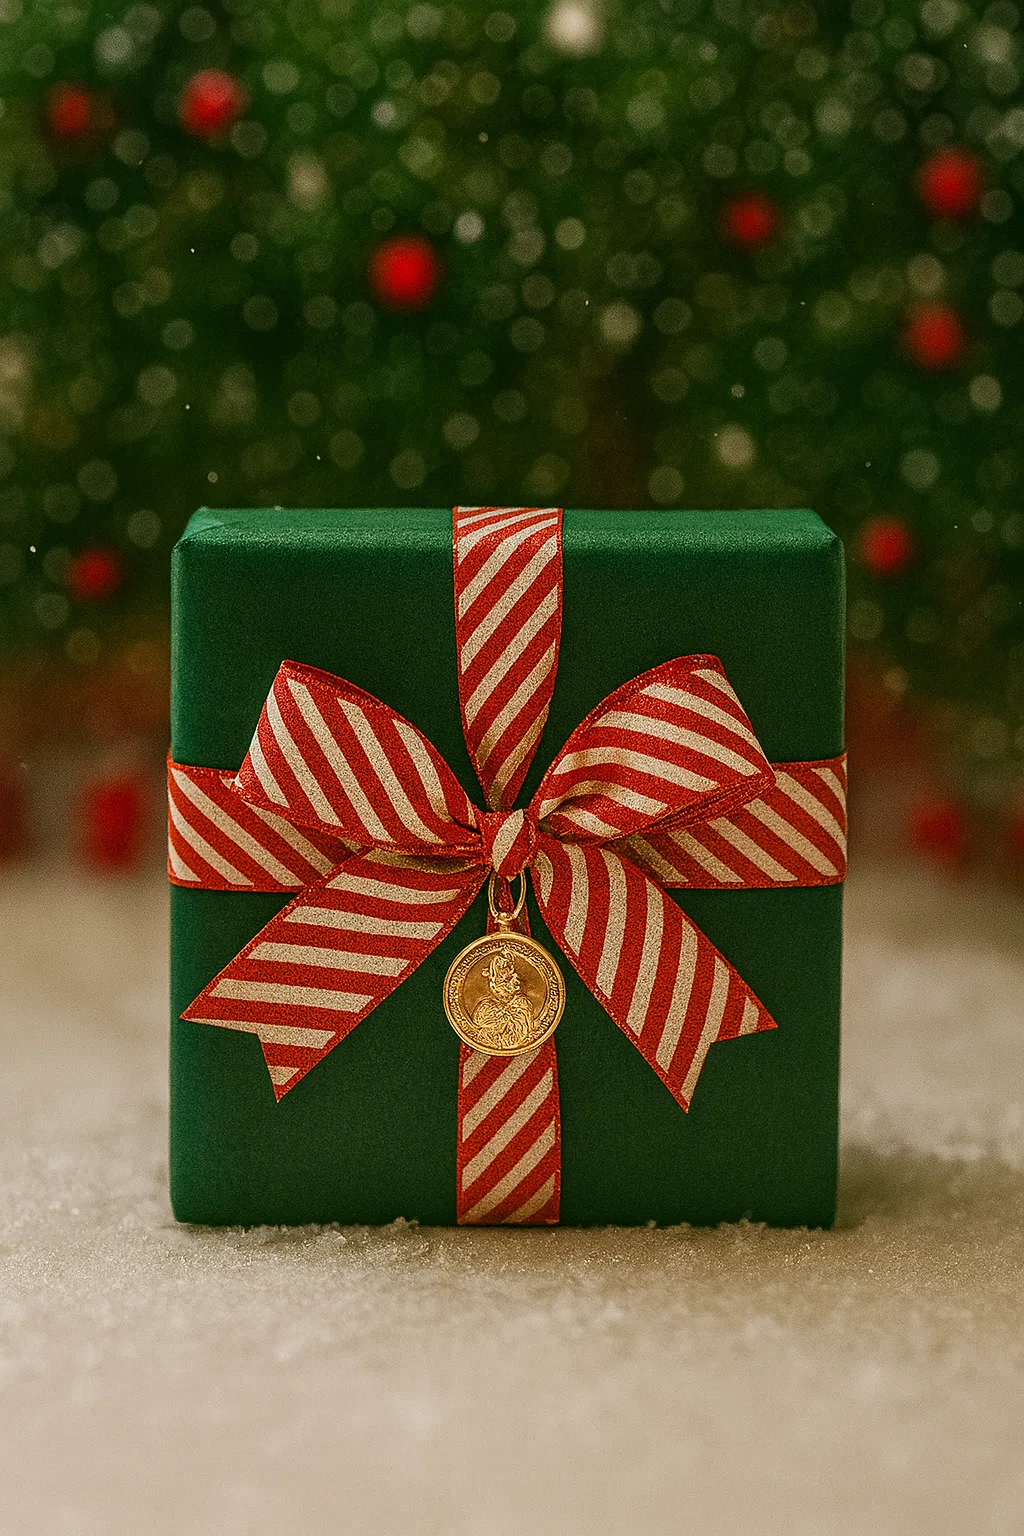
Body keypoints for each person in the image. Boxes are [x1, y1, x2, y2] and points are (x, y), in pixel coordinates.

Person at [471, 946, 536, 1050]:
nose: (514, 979)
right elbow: (479, 1024)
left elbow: (522, 1031)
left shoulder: (522, 1004)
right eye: (504, 978)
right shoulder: (484, 1008)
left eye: (510, 976)